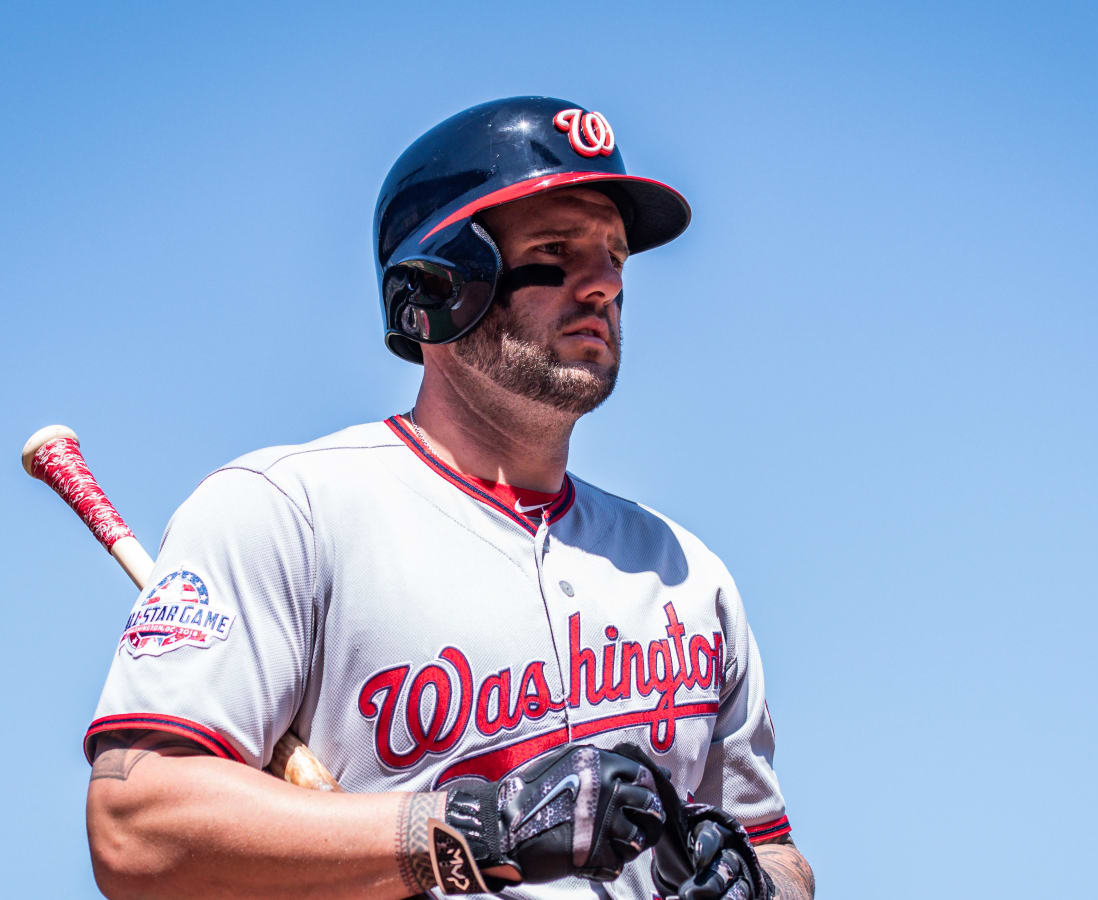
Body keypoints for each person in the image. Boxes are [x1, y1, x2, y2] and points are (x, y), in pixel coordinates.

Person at [85, 96, 815, 899]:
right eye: (556, 251)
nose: (604, 283)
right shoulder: (288, 513)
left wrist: (758, 883)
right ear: (438, 288)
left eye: (614, 256)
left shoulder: (686, 572)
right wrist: (472, 828)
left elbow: (778, 849)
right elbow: (137, 828)